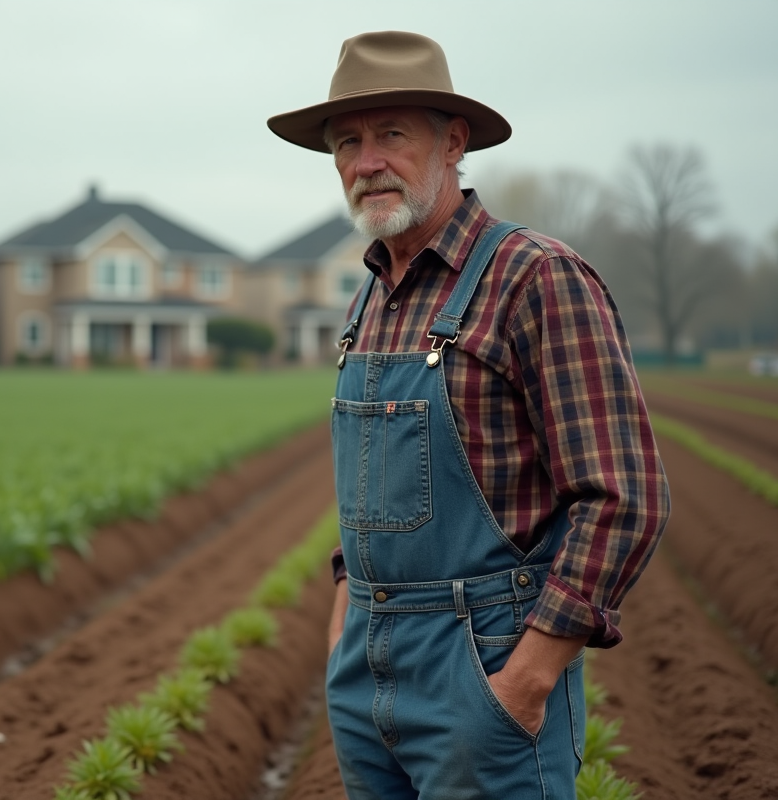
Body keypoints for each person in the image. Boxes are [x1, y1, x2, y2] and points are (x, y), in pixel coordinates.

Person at [266, 31, 670, 799]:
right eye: (347, 142)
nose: (366, 161)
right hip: (364, 677)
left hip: (485, 670)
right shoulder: (368, 298)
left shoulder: (537, 278)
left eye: (391, 134)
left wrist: (527, 679)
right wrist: (344, 625)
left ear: (454, 143)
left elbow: (624, 498)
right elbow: (373, 492)